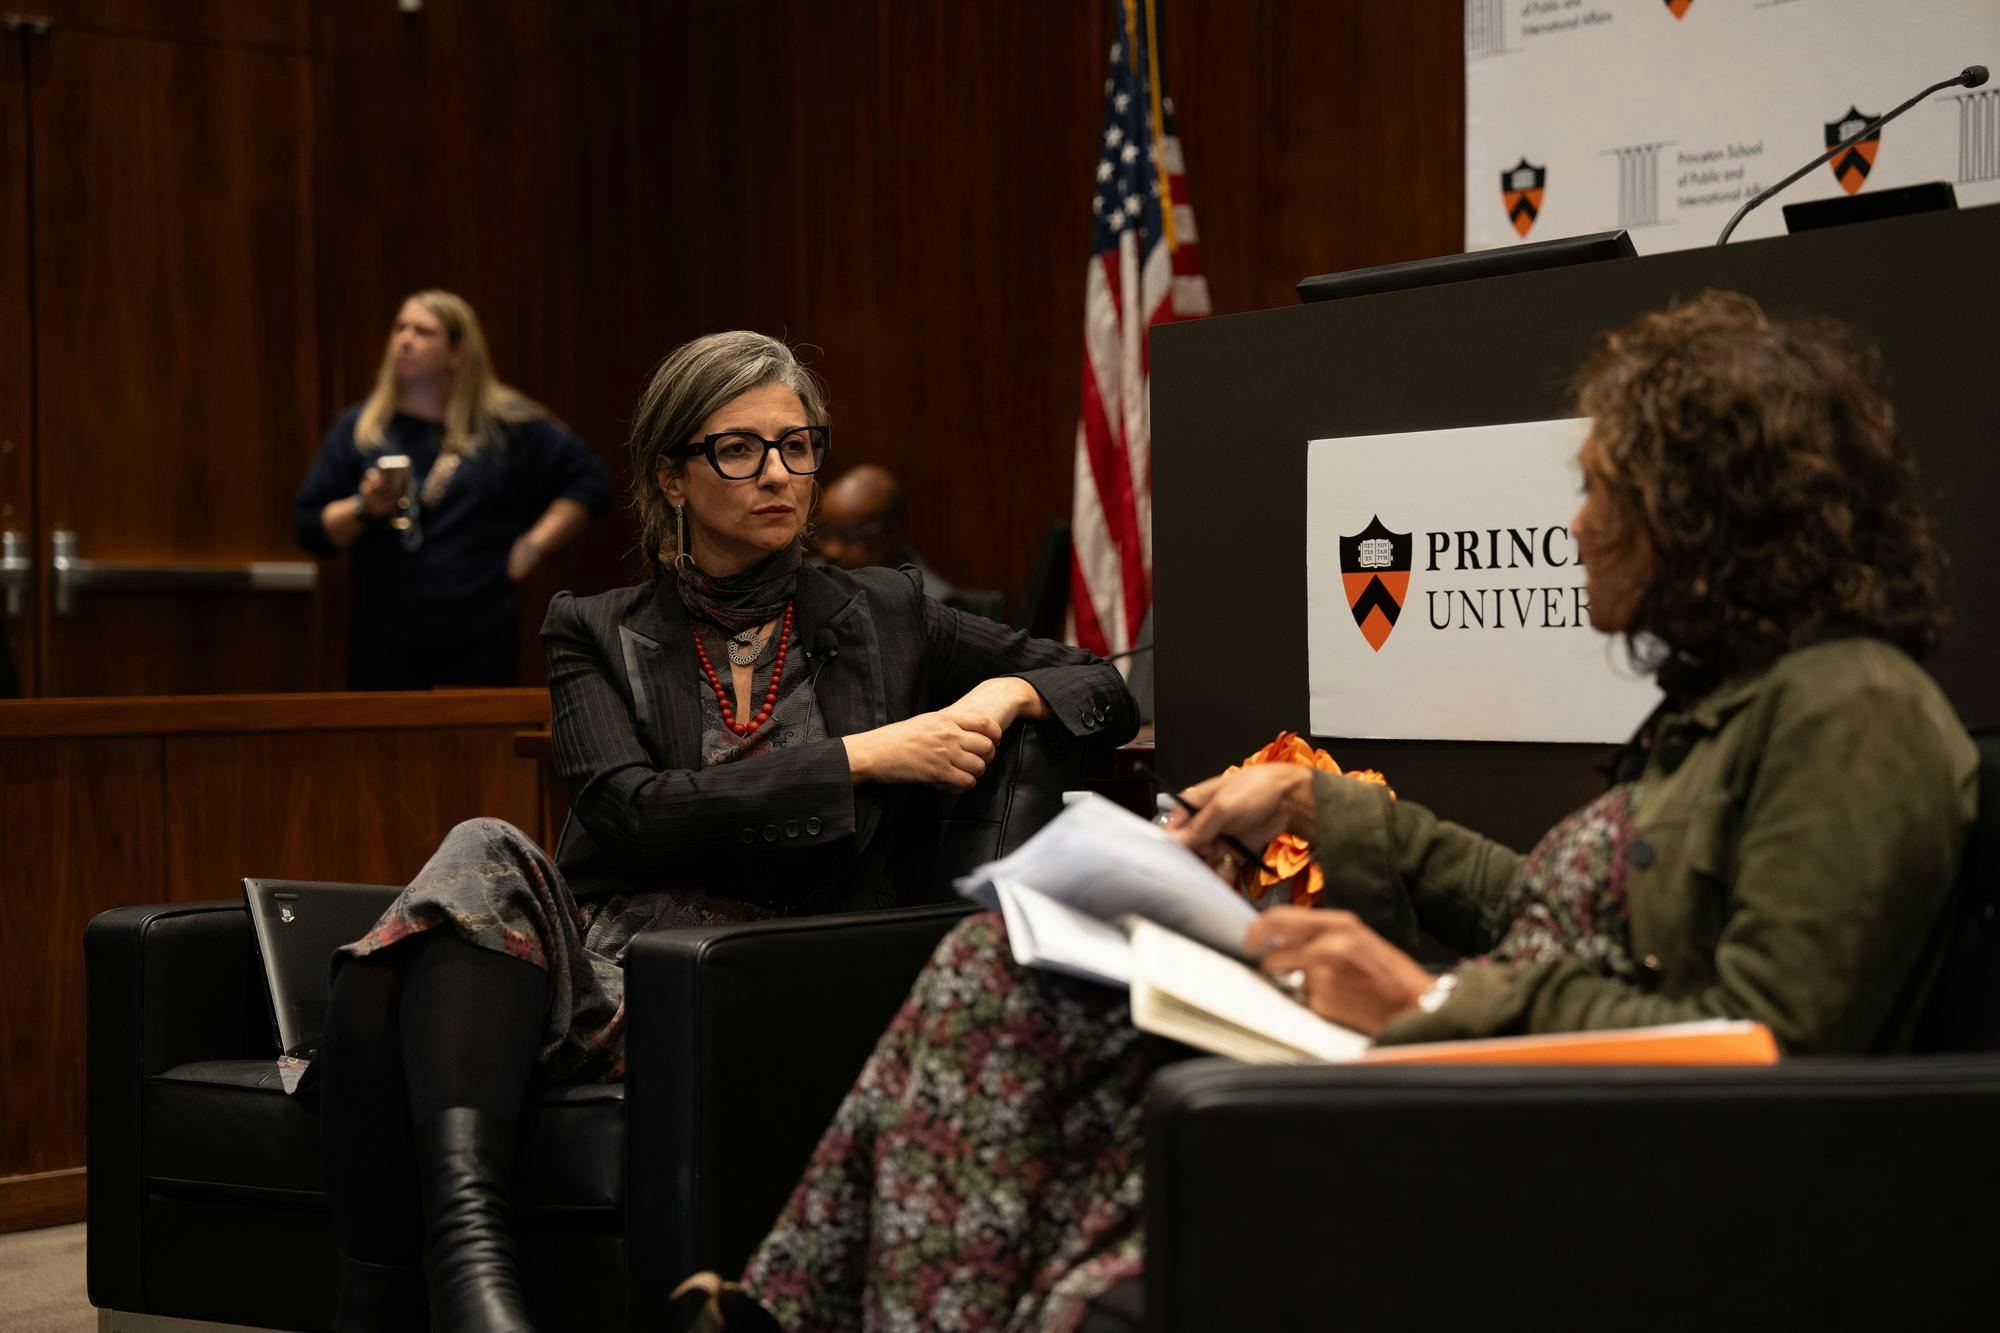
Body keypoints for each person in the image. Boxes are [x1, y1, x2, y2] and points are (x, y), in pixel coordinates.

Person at [668, 291, 1979, 1332]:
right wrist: (1321, 802)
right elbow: (1553, 914)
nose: (1577, 526)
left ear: (1701, 514)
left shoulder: (1851, 714)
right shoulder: (1723, 708)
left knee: (1037, 1039)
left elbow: (1765, 1046)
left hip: (1570, 1143)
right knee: (1005, 968)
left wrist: (1421, 998)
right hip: (1494, 1075)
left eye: (1603, 488)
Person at [311, 330, 1138, 1331]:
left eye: (797, 445)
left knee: (384, 985)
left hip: (777, 973)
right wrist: (861, 756)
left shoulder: (887, 610)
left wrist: (1003, 690)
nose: (778, 474)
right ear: (672, 475)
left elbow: (1101, 681)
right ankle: (475, 1281)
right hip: (610, 974)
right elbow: (632, 814)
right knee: (482, 846)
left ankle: (431, 1299)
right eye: (739, 450)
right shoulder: (595, 626)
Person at [293, 290, 612, 690]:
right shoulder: (361, 428)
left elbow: (591, 480)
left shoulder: (506, 425)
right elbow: (310, 527)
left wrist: (532, 546)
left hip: (478, 634)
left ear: (457, 352)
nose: (405, 339)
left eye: (423, 331)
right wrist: (363, 507)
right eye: (400, 327)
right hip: (385, 638)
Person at [813, 462, 1003, 617]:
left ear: (890, 534)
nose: (832, 550)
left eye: (850, 536)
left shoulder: (933, 607)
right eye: (825, 532)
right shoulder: (809, 578)